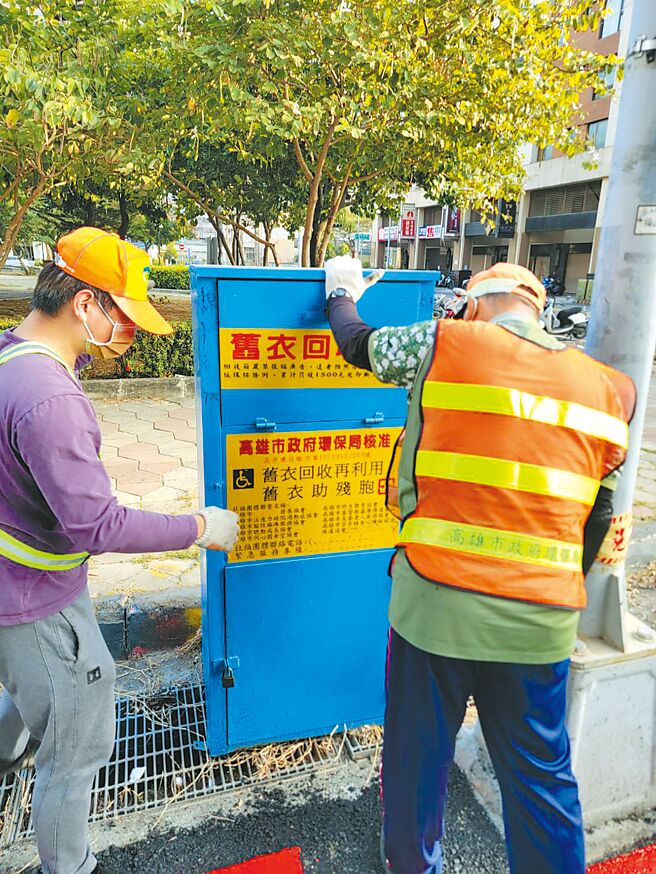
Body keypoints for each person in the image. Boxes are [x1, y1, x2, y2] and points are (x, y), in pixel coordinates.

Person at [323, 257, 636, 874]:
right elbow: (596, 515)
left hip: (433, 612)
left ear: (472, 306)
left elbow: (356, 344)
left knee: (417, 763)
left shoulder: (444, 341)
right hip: (539, 624)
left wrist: (341, 290)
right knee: (542, 780)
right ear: (538, 311)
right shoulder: (609, 390)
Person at [0, 227, 239, 874]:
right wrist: (202, 527)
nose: (128, 336)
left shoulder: (14, 358)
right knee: (78, 747)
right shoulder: (50, 399)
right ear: (84, 304)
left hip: (17, 583)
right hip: (39, 602)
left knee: (24, 705)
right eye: (123, 318)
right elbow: (98, 527)